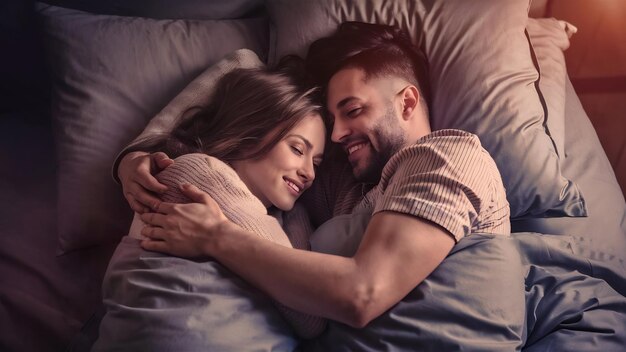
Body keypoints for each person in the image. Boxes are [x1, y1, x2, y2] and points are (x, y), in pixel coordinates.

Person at [117, 22, 512, 347]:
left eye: (353, 110)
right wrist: (133, 157)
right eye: (333, 119)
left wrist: (216, 236)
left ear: (407, 102)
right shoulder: (348, 186)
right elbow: (247, 76)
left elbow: (363, 294)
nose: (338, 133)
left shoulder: (446, 156)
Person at [94, 66, 328, 351]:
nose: (309, 173)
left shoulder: (278, 214)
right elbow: (311, 317)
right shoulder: (199, 173)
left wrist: (295, 215)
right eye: (297, 149)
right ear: (252, 130)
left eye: (316, 163)